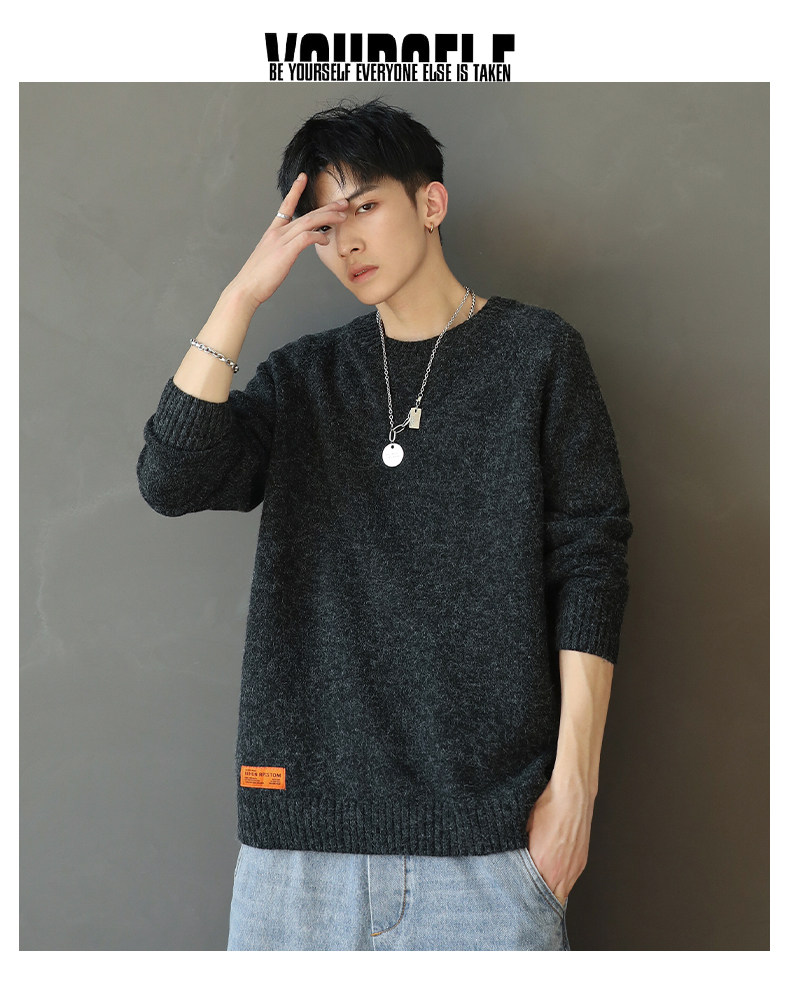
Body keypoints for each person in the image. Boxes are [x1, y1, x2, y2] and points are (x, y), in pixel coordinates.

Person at [137, 98, 633, 951]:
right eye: (326, 227)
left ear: (430, 203)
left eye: (364, 206)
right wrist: (241, 295)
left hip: (488, 850)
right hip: (298, 859)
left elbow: (591, 563)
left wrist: (575, 790)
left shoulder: (538, 356)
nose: (348, 243)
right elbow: (168, 478)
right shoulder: (305, 380)